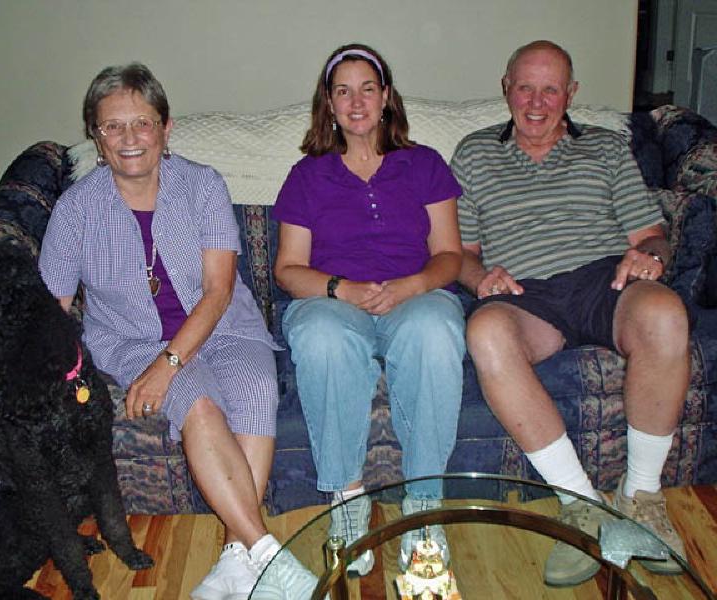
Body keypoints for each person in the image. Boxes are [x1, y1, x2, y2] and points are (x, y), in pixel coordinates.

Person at [0, 63, 316, 600]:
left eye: (142, 123)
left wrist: (168, 364)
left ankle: (235, 559)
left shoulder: (202, 184)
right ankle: (270, 557)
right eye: (113, 126)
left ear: (165, 127)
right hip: (132, 342)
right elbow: (44, 315)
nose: (129, 138)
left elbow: (219, 290)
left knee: (256, 389)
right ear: (96, 136)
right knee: (197, 402)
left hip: (226, 327)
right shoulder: (75, 210)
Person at [451, 40, 688, 586]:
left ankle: (642, 497)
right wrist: (479, 278)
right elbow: (460, 254)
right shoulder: (473, 152)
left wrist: (648, 259)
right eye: (525, 87)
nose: (536, 102)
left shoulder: (605, 148)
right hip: (525, 292)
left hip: (605, 279)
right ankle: (581, 504)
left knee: (666, 314)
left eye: (550, 89)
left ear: (571, 94)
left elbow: (651, 237)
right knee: (486, 330)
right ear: (505, 87)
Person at [273, 43, 467, 575]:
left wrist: (411, 286)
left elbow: (450, 255)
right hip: (336, 303)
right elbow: (288, 269)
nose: (356, 102)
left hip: (415, 294)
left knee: (435, 330)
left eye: (367, 88)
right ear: (329, 105)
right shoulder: (307, 176)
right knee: (321, 337)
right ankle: (348, 501)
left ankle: (423, 508)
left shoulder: (424, 164)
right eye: (343, 91)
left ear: (385, 98)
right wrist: (343, 289)